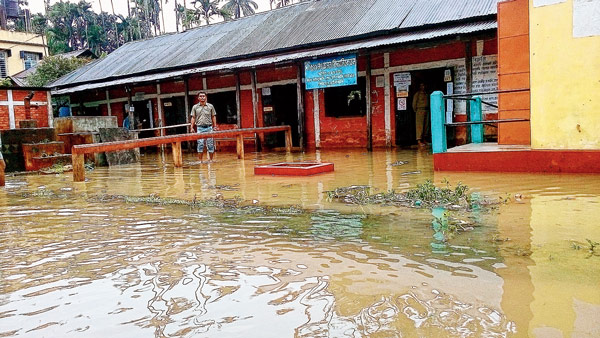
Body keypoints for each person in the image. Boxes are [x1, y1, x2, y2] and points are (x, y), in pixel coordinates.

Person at [190, 92, 217, 161]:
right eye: (200, 96)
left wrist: (215, 126)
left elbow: (213, 116)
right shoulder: (195, 107)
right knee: (200, 144)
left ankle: (211, 160)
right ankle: (200, 161)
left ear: (206, 97)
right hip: (200, 128)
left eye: (203, 96)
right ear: (198, 98)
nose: (202, 97)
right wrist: (191, 127)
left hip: (209, 127)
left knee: (210, 144)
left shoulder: (210, 106)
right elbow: (193, 117)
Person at [412, 83, 429, 148]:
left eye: (424, 85)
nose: (423, 87)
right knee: (420, 126)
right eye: (422, 85)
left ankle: (424, 139)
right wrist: (416, 110)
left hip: (426, 110)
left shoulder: (426, 94)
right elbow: (414, 104)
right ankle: (419, 140)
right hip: (420, 110)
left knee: (426, 126)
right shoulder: (417, 94)